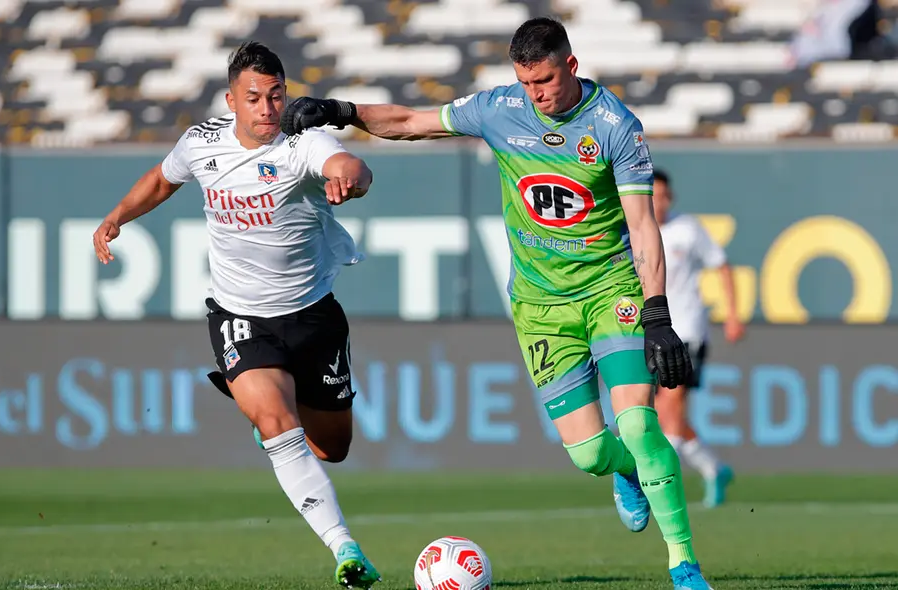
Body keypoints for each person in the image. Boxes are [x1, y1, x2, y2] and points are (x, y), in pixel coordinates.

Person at [282, 17, 712, 590]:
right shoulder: (498, 108)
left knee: (637, 421)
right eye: (527, 82)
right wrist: (343, 112)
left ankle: (683, 564)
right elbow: (411, 122)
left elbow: (641, 224)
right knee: (589, 454)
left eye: (546, 80)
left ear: (571, 67)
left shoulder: (616, 127)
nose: (536, 94)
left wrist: (657, 314)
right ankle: (629, 473)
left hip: (612, 292)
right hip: (540, 307)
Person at [91, 41, 380, 589]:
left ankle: (275, 427)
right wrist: (116, 217)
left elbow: (351, 165)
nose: (268, 108)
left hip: (314, 316)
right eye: (254, 98)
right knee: (278, 424)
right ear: (232, 101)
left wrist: (350, 179)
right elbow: (162, 179)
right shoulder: (202, 142)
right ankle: (346, 549)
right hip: (240, 317)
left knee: (333, 448)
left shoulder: (303, 141)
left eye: (276, 96)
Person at [652, 169, 744, 509]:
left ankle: (661, 484)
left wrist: (733, 315)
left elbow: (721, 265)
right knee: (663, 412)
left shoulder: (687, 229)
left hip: (686, 329)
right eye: (651, 195)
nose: (657, 201)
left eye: (662, 195)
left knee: (672, 405)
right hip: (652, 332)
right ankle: (714, 468)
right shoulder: (635, 230)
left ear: (670, 198)